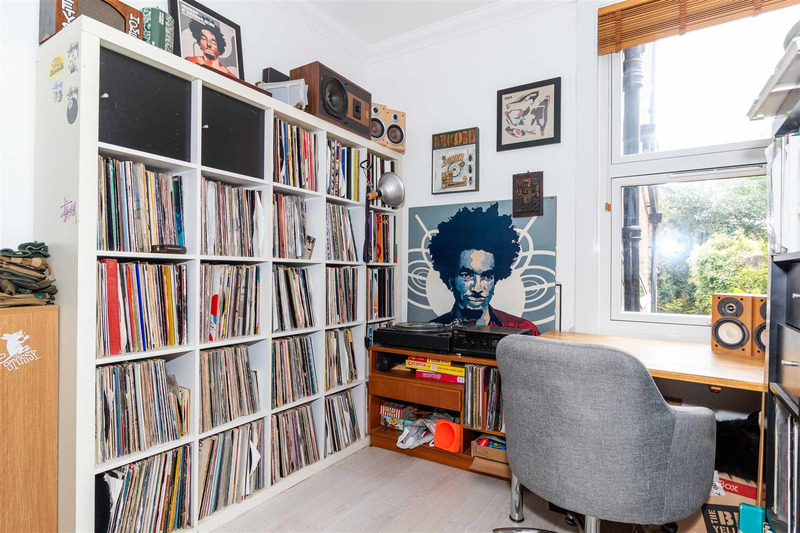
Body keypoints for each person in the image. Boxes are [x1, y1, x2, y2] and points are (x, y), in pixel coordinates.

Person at [428, 203, 540, 333]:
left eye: (487, 276)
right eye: (467, 275)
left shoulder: (523, 330)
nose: (477, 288)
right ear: (450, 281)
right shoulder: (432, 332)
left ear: (495, 282)